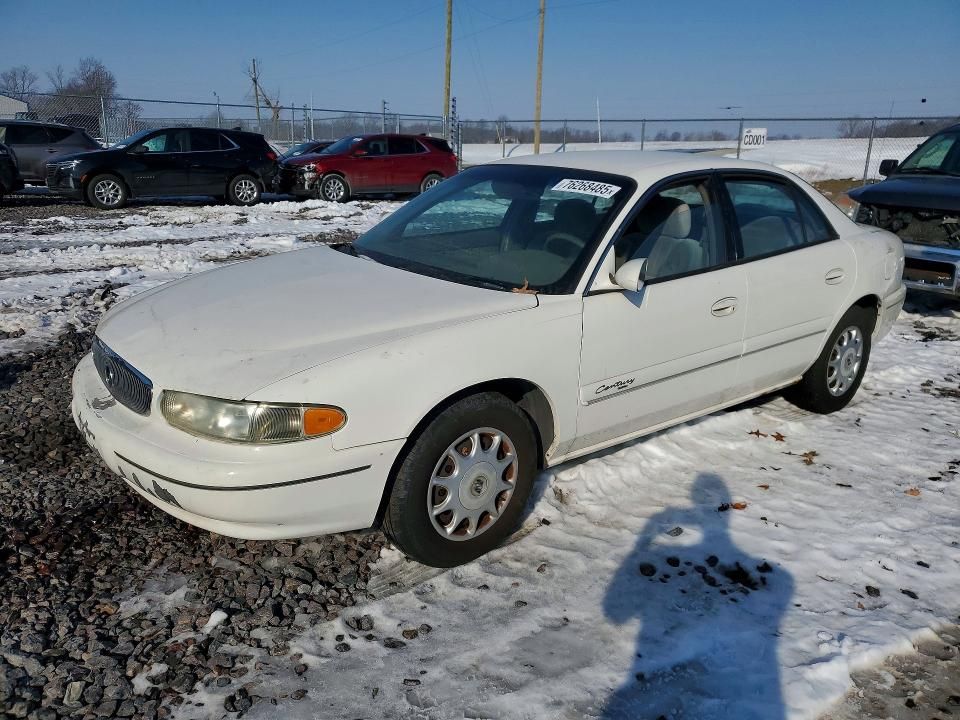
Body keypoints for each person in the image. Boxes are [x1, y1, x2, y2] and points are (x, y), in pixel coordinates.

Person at [601, 473, 793, 719]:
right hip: (759, 694)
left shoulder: (781, 580)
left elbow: (614, 613)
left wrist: (643, 543)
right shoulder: (784, 579)